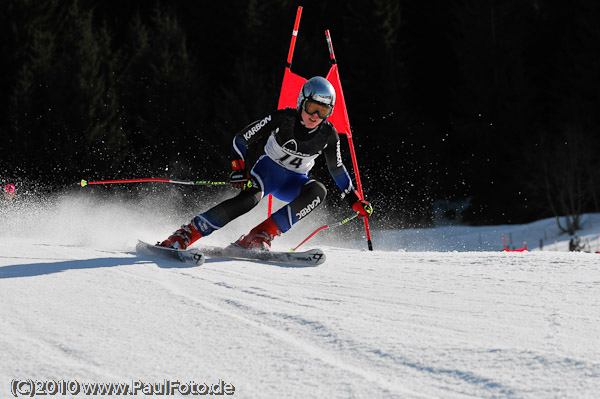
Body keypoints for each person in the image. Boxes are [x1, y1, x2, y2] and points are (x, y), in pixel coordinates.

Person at [158, 76, 373, 251]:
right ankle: (185, 234)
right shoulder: (283, 119)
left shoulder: (329, 135)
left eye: (323, 111)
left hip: (294, 182)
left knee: (318, 191)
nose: (315, 116)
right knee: (248, 201)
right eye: (311, 107)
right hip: (267, 173)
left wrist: (354, 200)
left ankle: (258, 236)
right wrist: (238, 168)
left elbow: (336, 168)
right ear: (302, 102)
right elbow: (241, 139)